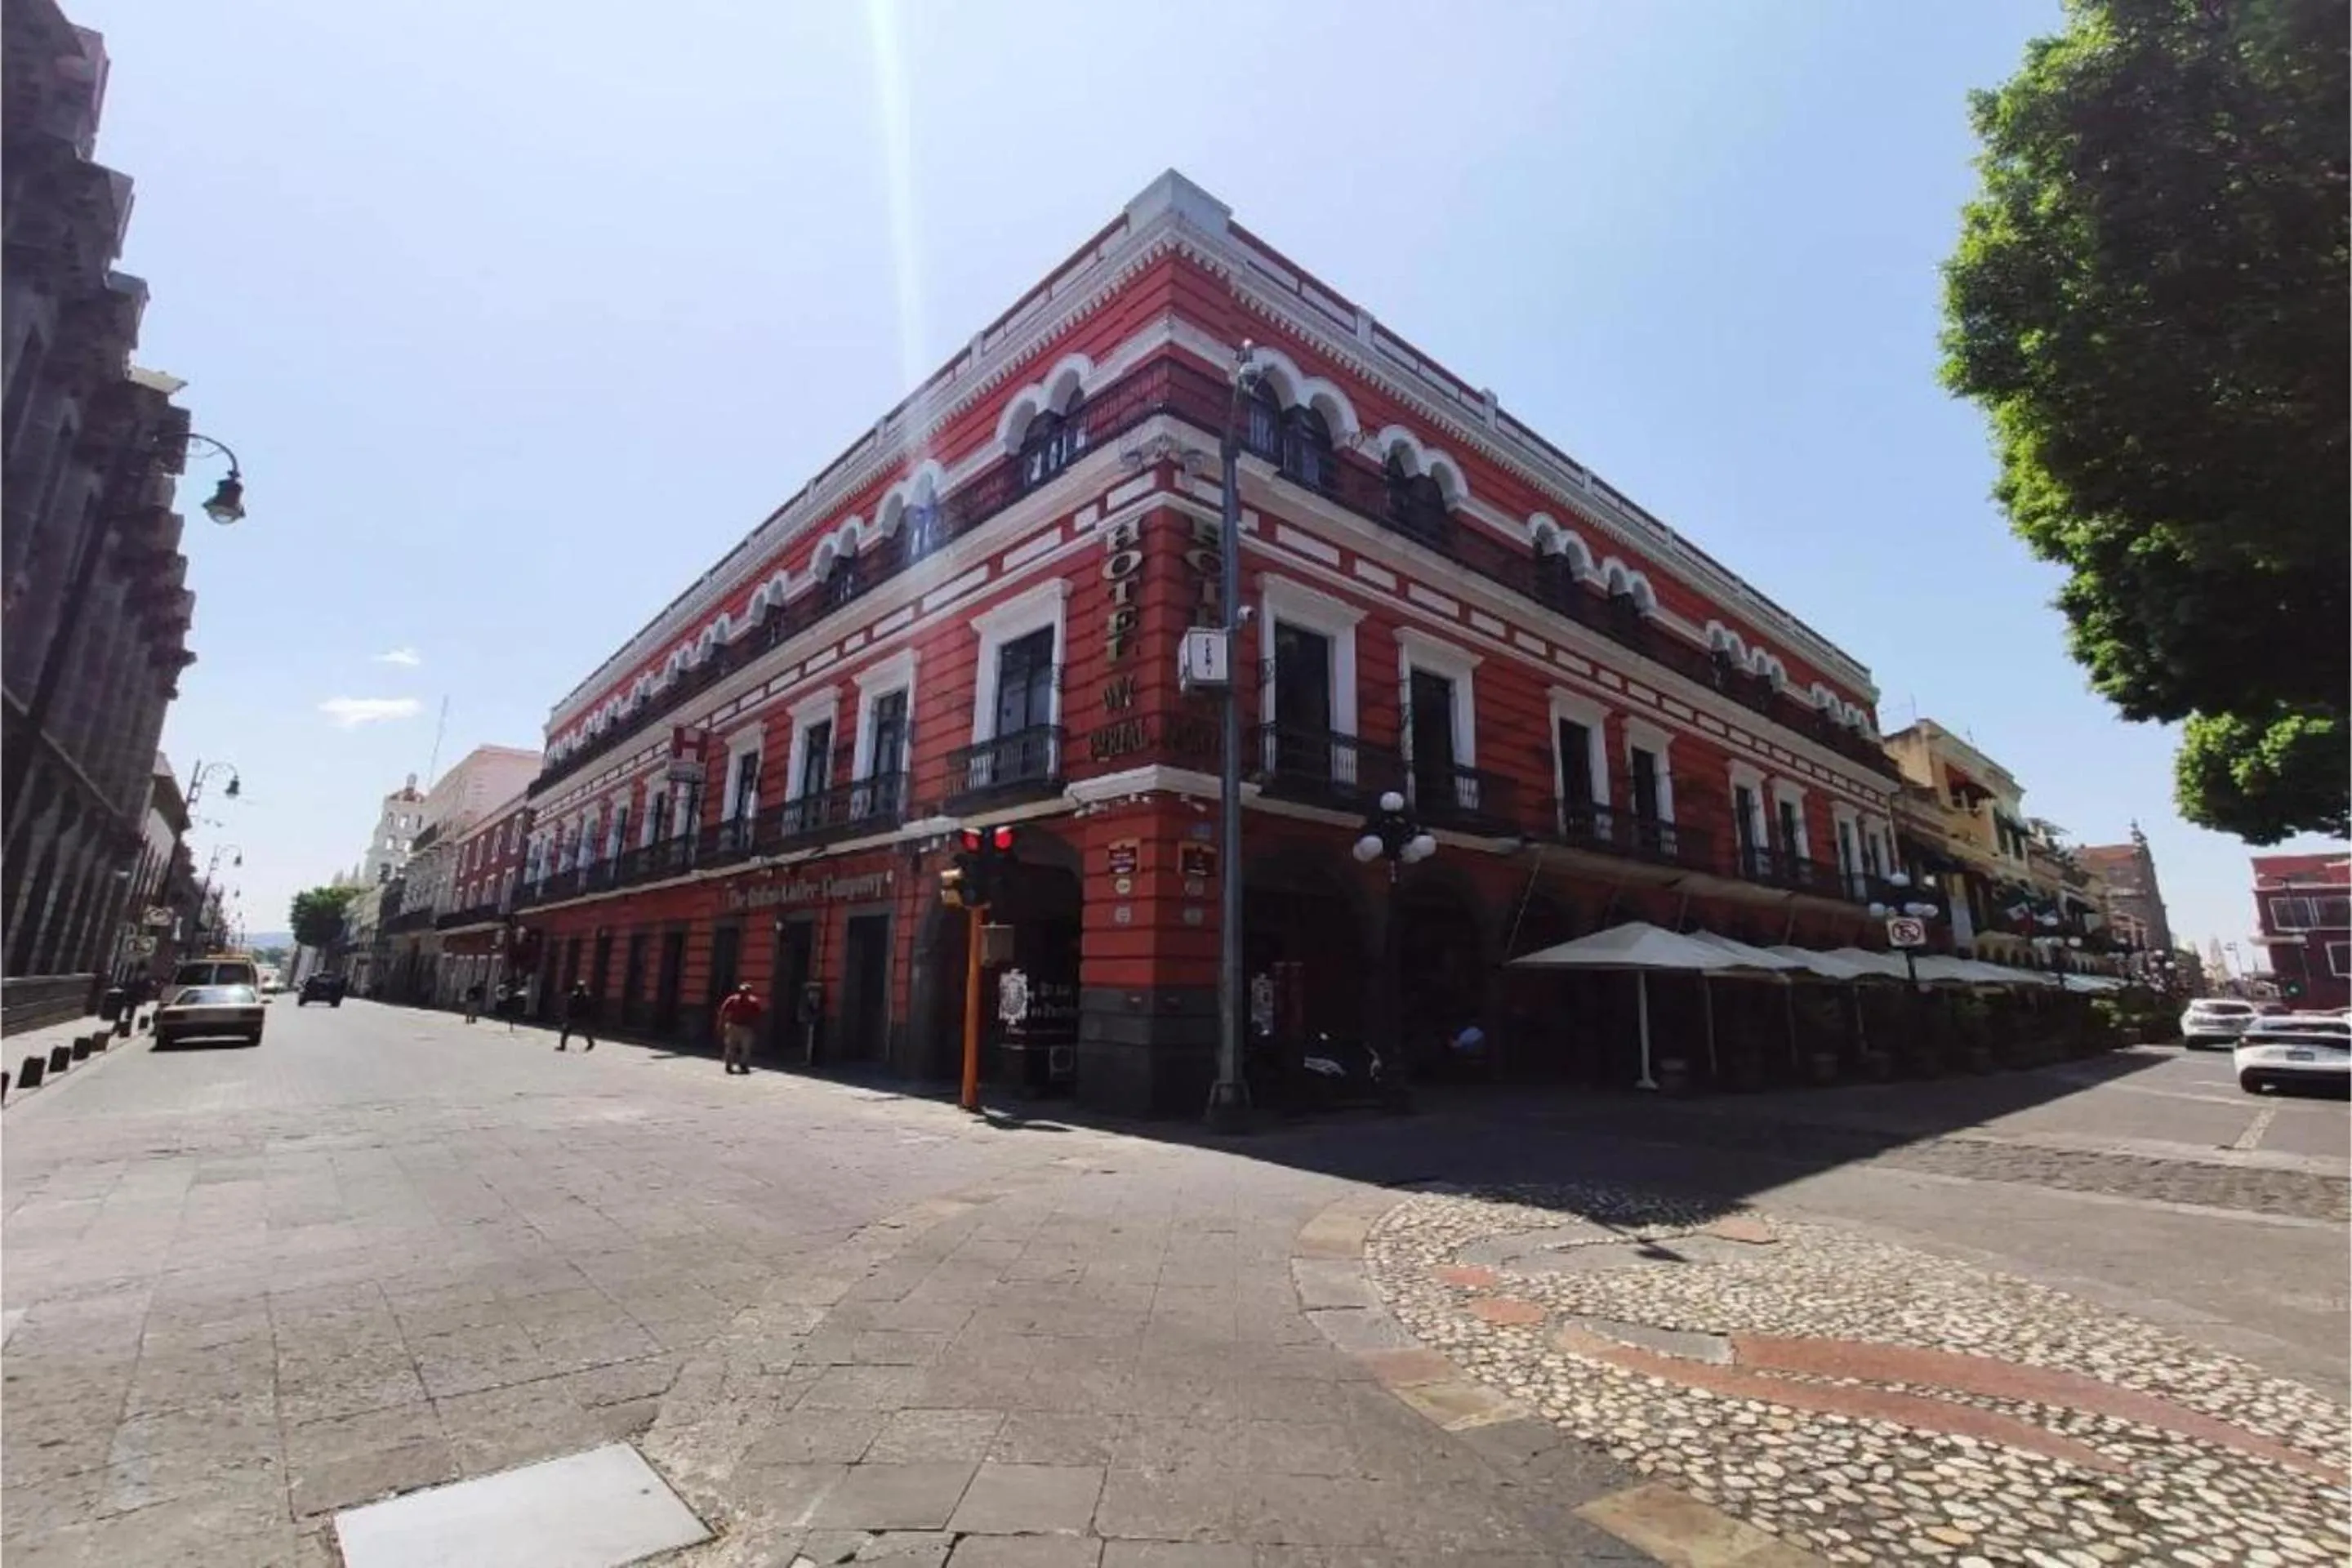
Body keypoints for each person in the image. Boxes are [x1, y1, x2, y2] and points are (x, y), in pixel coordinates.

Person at [716, 982, 763, 1076]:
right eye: (742, 991)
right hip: (733, 1025)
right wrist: (721, 1024)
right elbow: (723, 1011)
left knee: (746, 1048)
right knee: (730, 1046)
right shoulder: (732, 1000)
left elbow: (758, 1015)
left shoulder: (753, 1002)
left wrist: (756, 1027)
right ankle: (729, 1064)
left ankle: (743, 1064)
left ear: (749, 992)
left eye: (745, 992)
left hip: (746, 1027)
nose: (743, 994)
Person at [557, 980, 595, 1051]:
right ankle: (562, 1046)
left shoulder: (586, 996)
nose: (580, 989)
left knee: (585, 1031)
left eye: (581, 988)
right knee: (566, 1031)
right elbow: (569, 1005)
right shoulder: (574, 995)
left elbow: (589, 1007)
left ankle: (591, 1043)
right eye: (579, 987)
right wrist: (568, 1013)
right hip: (575, 1016)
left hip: (581, 1017)